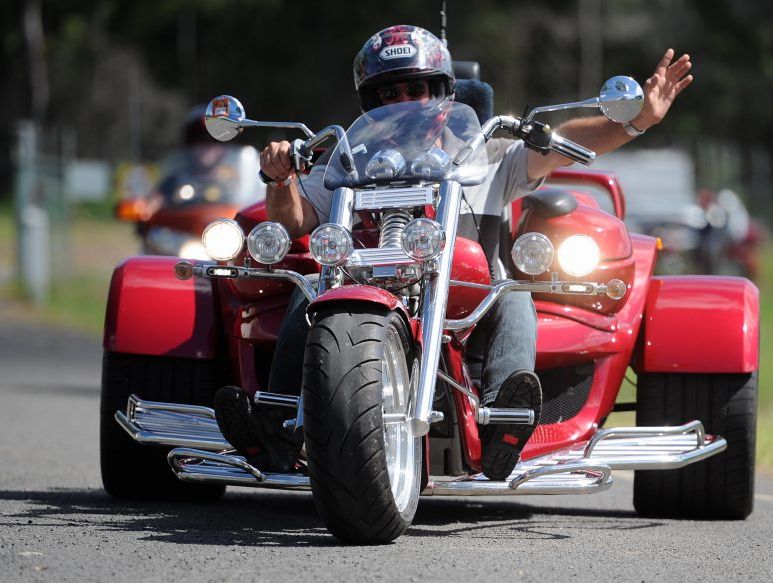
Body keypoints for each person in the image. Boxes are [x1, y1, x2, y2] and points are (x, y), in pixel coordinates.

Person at [214, 25, 693, 479]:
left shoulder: (486, 149)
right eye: (389, 94)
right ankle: (275, 424)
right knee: (312, 290)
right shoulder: (348, 157)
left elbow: (565, 145)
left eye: (417, 89)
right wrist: (280, 180)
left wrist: (638, 121)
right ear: (370, 102)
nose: (403, 103)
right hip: (366, 288)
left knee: (513, 294)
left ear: (443, 93)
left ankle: (506, 420)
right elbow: (294, 220)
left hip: (468, 295)